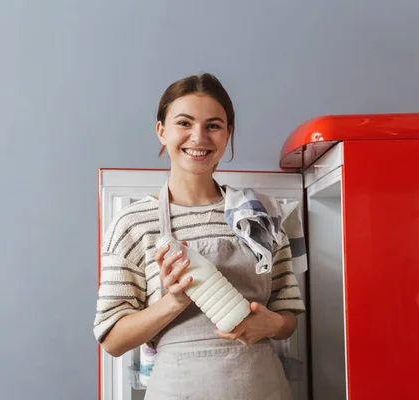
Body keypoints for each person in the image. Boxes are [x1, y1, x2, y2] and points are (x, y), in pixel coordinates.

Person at [93, 73, 305, 399]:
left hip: (260, 386)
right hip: (178, 388)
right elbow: (113, 341)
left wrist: (273, 326)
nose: (199, 137)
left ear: (228, 134)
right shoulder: (132, 224)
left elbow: (287, 312)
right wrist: (174, 301)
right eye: (184, 123)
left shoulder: (261, 214)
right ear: (162, 131)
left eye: (213, 125)